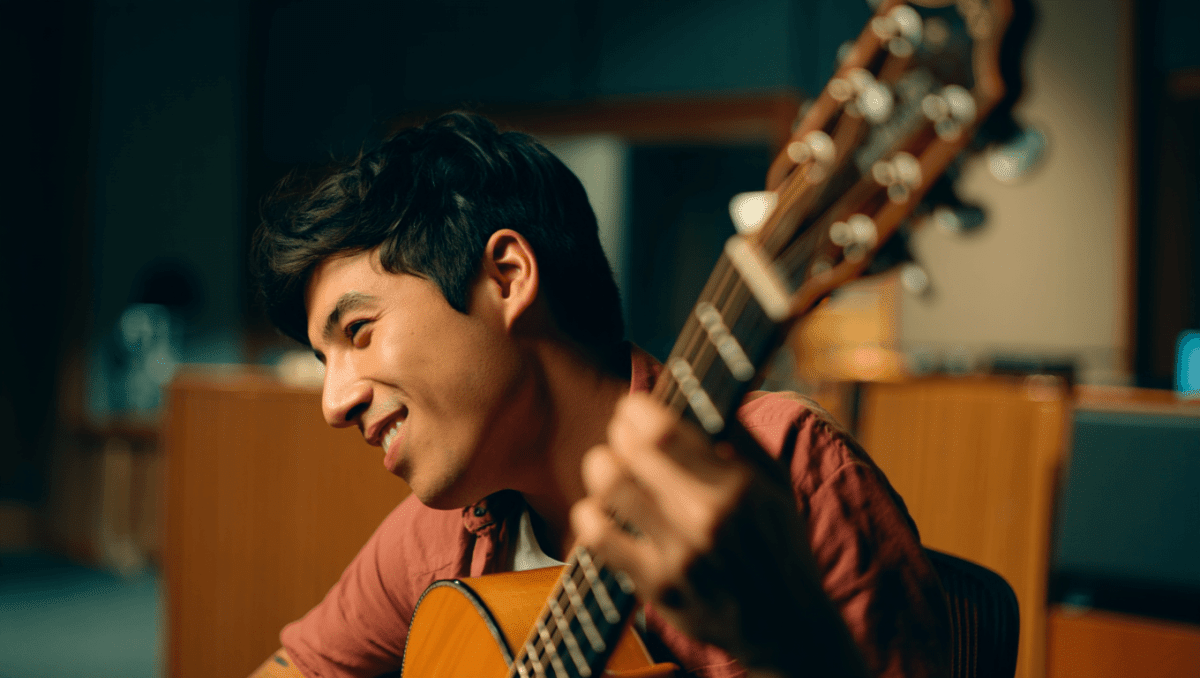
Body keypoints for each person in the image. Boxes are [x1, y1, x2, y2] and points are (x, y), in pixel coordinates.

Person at [248, 112, 950, 678]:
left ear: (507, 276)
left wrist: (785, 639)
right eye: (323, 358)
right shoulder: (437, 533)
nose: (332, 402)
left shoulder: (784, 467)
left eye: (359, 331)